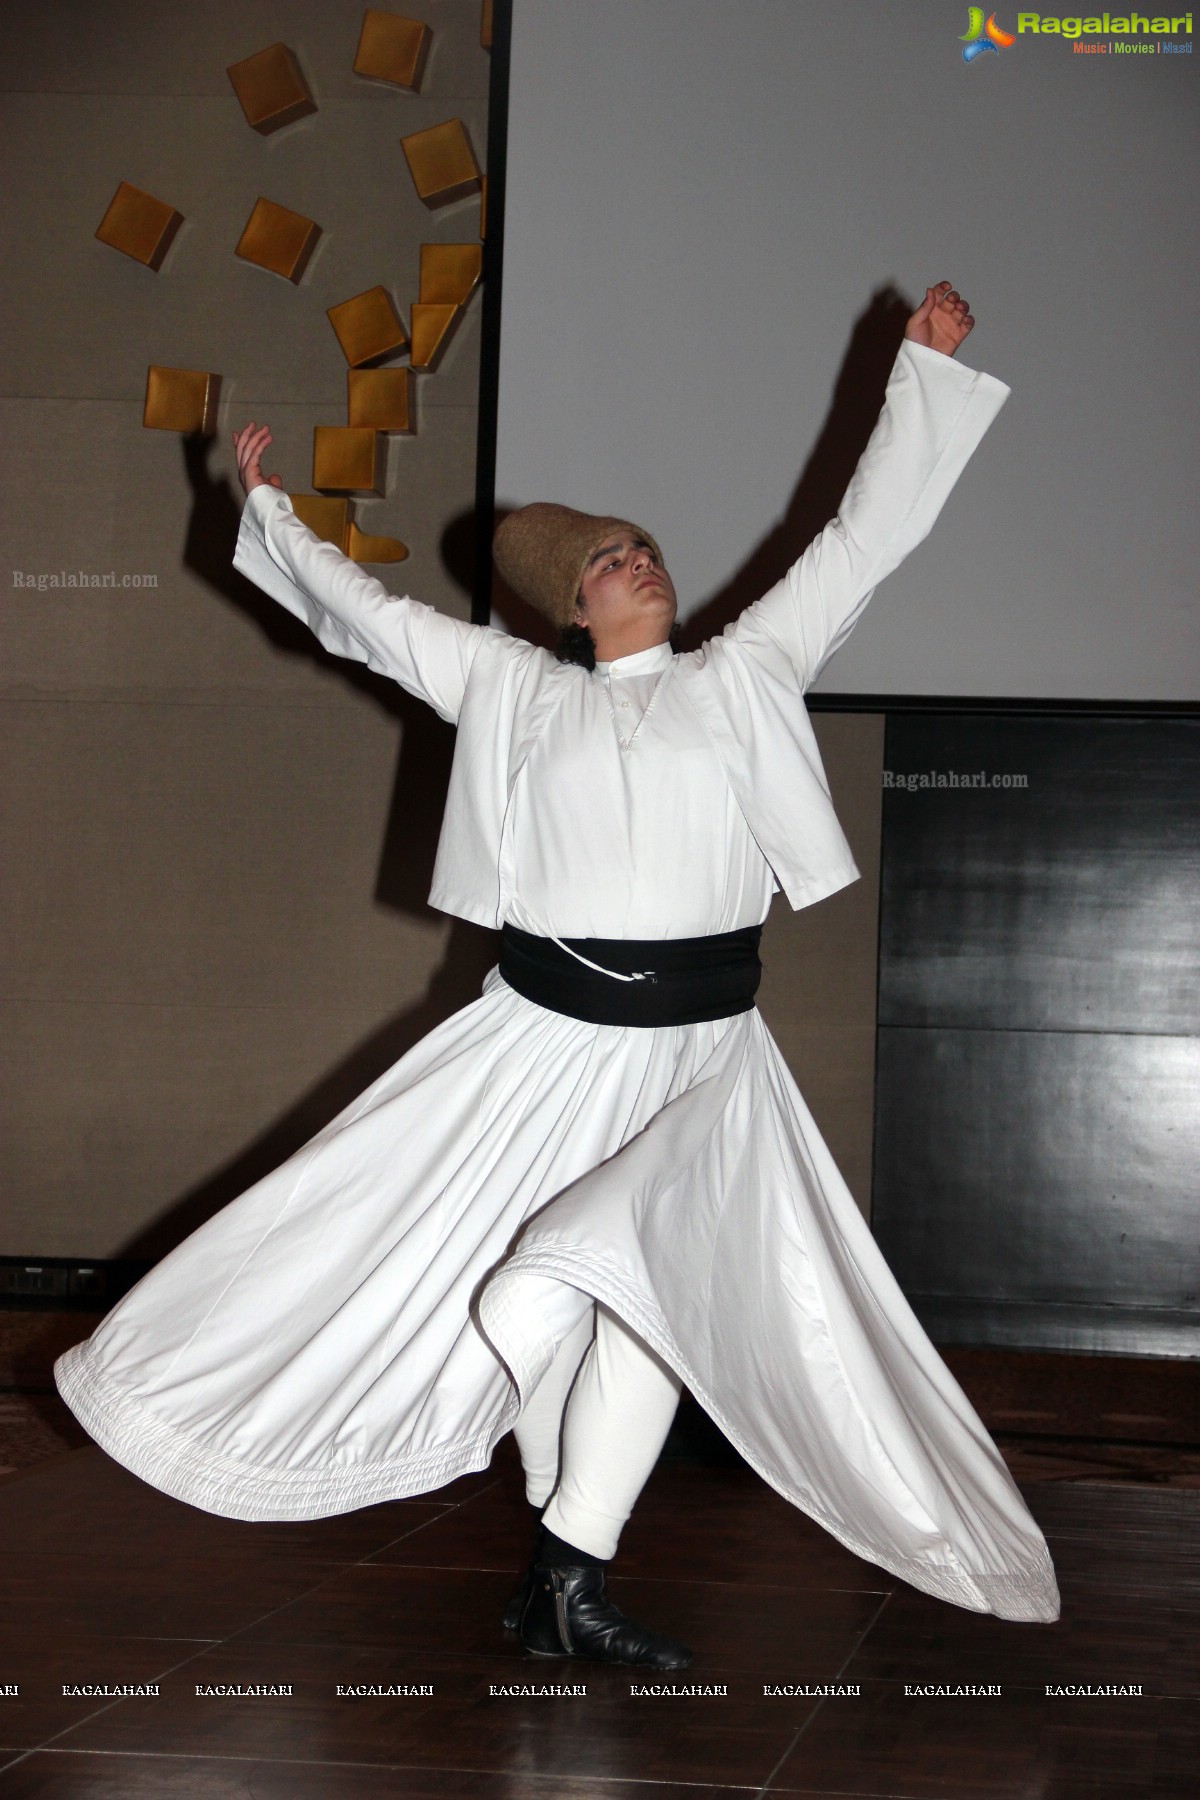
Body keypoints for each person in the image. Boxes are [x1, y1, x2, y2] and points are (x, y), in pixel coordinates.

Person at [56, 283, 1061, 1669]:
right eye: (610, 560)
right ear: (571, 606)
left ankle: (568, 1573)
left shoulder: (751, 668)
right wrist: (274, 518)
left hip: (707, 1059)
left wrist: (927, 373)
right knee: (536, 1286)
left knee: (644, 1299)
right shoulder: (514, 690)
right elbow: (363, 618)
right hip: (547, 1041)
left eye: (646, 549)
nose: (640, 562)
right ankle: (551, 1556)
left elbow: (864, 538)